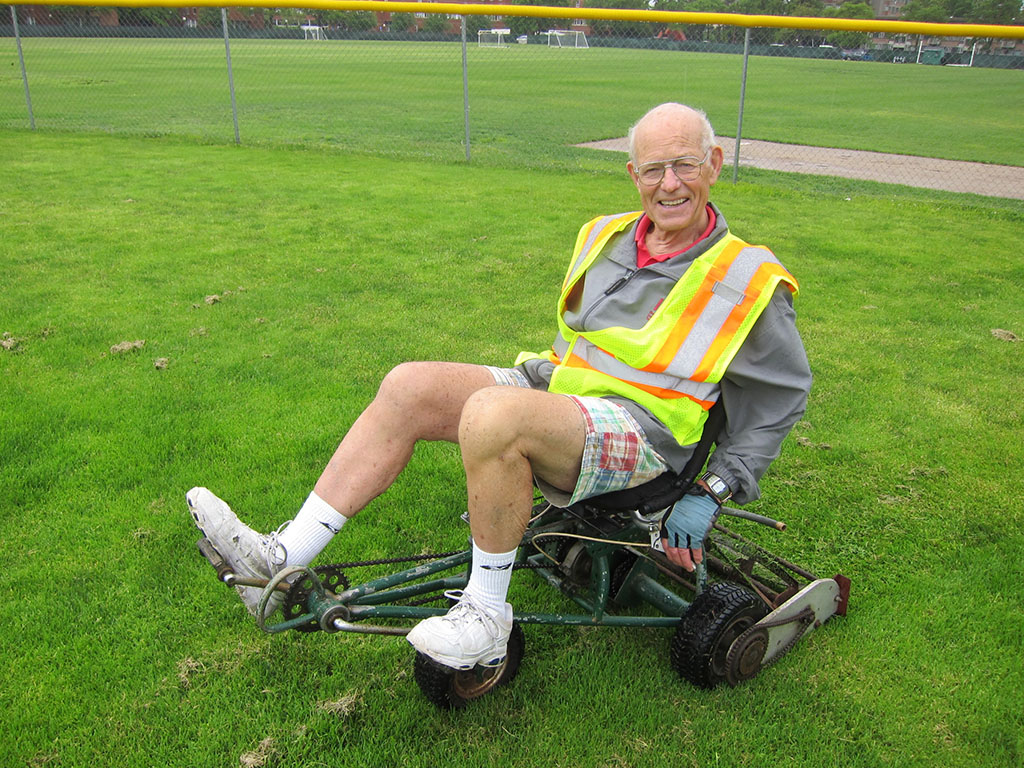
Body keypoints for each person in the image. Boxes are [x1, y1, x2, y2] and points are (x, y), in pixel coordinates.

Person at [188, 102, 811, 673]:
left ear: (716, 165)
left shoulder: (747, 279)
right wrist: (542, 391)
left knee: (494, 416)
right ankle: (284, 556)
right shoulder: (609, 235)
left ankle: (486, 617)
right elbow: (579, 351)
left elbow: (781, 399)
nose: (669, 183)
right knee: (408, 385)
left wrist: (716, 489)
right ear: (632, 173)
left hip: (646, 440)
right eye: (653, 169)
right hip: (564, 397)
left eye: (685, 165)